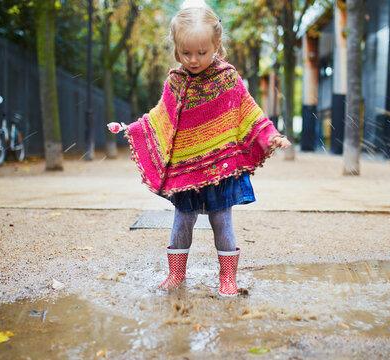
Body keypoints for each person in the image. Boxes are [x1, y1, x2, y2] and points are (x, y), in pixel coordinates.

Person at [108, 3, 291, 297]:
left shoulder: (228, 79)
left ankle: (228, 278)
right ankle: (176, 273)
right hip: (186, 168)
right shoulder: (176, 81)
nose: (193, 59)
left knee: (222, 221)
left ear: (216, 45)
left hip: (220, 169)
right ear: (177, 49)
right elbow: (160, 117)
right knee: (182, 220)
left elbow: (249, 112)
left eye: (201, 53)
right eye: (185, 53)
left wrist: (270, 136)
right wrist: (132, 128)